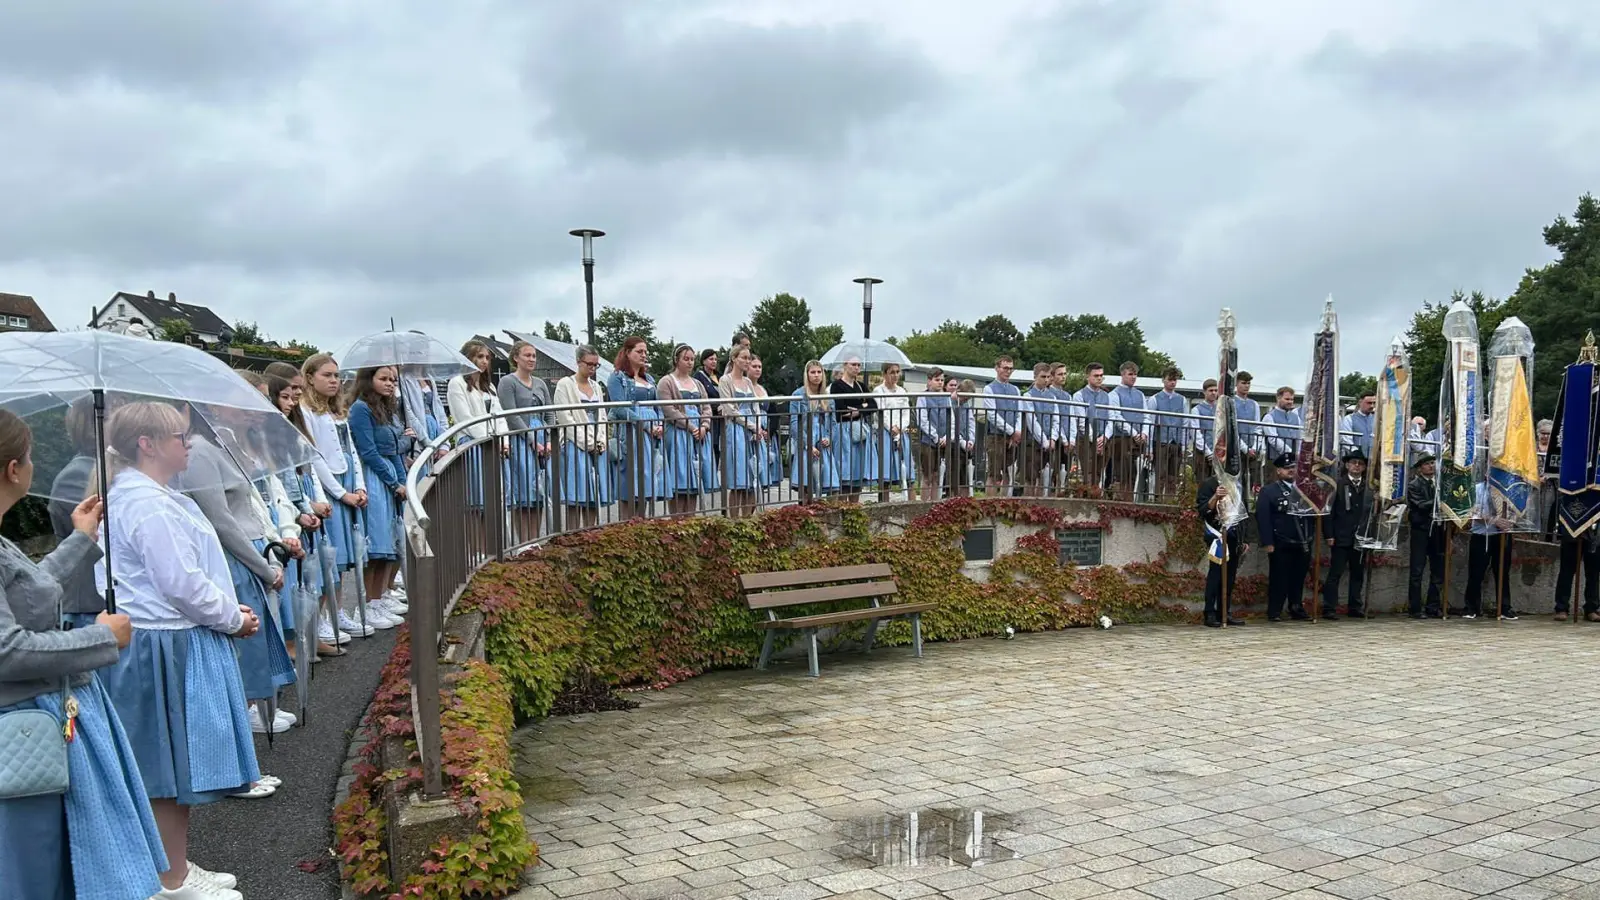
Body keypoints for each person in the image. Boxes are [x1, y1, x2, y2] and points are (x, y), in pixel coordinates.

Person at [0, 408, 171, 900]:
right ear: (15, 469)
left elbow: (28, 594)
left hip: (39, 720)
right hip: (20, 727)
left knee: (55, 858)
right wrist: (101, 639)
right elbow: (7, 651)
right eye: (30, 457)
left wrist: (81, 538)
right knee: (33, 863)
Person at [96, 402, 263, 899]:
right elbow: (180, 583)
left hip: (164, 639)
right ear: (147, 444)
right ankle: (171, 881)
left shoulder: (147, 496)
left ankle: (173, 867)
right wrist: (233, 618)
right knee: (168, 769)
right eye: (179, 436)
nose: (188, 444)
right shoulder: (147, 503)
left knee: (166, 765)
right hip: (165, 644)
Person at [300, 354, 373, 645]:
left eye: (336, 376)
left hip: (347, 481)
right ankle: (319, 620)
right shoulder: (307, 411)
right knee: (330, 558)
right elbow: (315, 458)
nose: (334, 381)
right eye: (327, 375)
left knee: (343, 560)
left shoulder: (337, 411)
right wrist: (341, 494)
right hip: (331, 488)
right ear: (310, 378)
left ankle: (337, 611)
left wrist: (359, 485)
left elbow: (351, 450)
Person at [347, 366, 410, 624]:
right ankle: (369, 603)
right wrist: (393, 481)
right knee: (377, 546)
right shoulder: (361, 409)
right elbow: (369, 451)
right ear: (368, 379)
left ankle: (382, 595)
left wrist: (403, 482)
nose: (390, 383)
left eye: (393, 379)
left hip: (389, 477)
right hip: (375, 478)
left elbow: (394, 448)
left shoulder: (387, 409)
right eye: (383, 378)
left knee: (391, 543)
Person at [606, 337, 669, 520]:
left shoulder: (648, 378)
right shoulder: (617, 377)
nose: (643, 355)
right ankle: (628, 526)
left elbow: (658, 405)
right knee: (630, 482)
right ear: (627, 353)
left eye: (645, 352)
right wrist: (645, 424)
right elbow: (618, 407)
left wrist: (660, 423)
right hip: (631, 432)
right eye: (639, 351)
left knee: (649, 480)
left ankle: (644, 524)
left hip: (652, 433)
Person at [496, 341, 552, 540]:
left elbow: (549, 412)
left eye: (534, 355)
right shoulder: (507, 382)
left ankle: (536, 539)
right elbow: (512, 415)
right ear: (516, 358)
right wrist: (531, 439)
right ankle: (523, 541)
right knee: (523, 494)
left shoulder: (540, 383)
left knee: (539, 494)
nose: (532, 359)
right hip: (520, 439)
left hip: (541, 437)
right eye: (527, 355)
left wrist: (547, 439)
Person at [552, 345, 612, 529]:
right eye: (589, 364)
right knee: (576, 494)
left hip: (597, 443)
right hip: (575, 444)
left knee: (594, 493)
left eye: (596, 365)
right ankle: (573, 534)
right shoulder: (565, 385)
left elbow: (602, 415)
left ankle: (590, 532)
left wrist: (601, 440)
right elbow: (565, 418)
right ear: (579, 362)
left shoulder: (596, 387)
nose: (593, 368)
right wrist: (587, 443)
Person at [658, 344, 719, 515]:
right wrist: (691, 426)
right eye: (686, 359)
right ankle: (677, 522)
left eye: (692, 359)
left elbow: (706, 407)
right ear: (676, 360)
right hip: (678, 434)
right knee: (679, 480)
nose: (690, 362)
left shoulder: (698, 384)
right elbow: (669, 410)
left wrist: (704, 426)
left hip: (699, 434)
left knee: (694, 482)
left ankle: (690, 519)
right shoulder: (667, 381)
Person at [1255, 452, 1311, 621]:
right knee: (1279, 578)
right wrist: (1268, 542)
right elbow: (1263, 518)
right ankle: (1275, 611)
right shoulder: (1269, 491)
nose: (1291, 471)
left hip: (1302, 541)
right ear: (1278, 471)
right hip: (1281, 542)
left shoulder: (1304, 489)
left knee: (1298, 577)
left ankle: (1296, 607)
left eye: (1293, 467)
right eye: (1287, 468)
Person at [1320, 448, 1372, 619]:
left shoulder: (1368, 487)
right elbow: (1329, 512)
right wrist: (1329, 535)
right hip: (1341, 537)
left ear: (1364, 468)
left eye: (1360, 464)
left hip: (1360, 537)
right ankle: (1329, 607)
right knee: (1335, 573)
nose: (1357, 466)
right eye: (1353, 463)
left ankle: (1354, 606)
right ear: (1347, 465)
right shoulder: (1338, 484)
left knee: (1357, 574)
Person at [1463, 481, 1520, 619]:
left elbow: (1517, 508)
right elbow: (1474, 510)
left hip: (1502, 534)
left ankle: (1504, 607)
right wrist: (1494, 520)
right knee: (1476, 572)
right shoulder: (1478, 488)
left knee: (1502, 572)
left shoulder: (1510, 488)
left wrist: (1510, 521)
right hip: (1482, 534)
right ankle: (1471, 608)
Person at [1196, 467, 1246, 627]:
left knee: (1230, 576)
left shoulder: (1237, 486)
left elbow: (1243, 514)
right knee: (1216, 574)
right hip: (1217, 535)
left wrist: (1245, 539)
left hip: (1234, 536)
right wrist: (1216, 496)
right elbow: (1203, 510)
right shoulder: (1209, 484)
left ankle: (1225, 611)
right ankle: (1210, 612)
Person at [829, 356, 878, 503]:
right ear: (845, 365)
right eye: (853, 364)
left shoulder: (861, 385)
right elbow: (840, 409)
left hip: (859, 430)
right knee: (845, 471)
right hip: (844, 430)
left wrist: (858, 410)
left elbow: (873, 405)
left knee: (858, 471)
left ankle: (854, 508)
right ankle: (842, 506)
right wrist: (862, 407)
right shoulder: (836, 385)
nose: (856, 367)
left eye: (858, 365)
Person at [1073, 363, 1122, 496]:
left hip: (1104, 439)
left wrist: (1105, 437)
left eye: (1101, 376)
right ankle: (1087, 501)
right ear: (1088, 377)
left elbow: (1111, 418)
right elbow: (1081, 421)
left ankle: (1096, 500)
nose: (1099, 378)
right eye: (1096, 376)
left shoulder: (1108, 396)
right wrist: (1094, 439)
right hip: (1086, 440)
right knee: (1088, 473)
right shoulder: (1079, 395)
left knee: (1099, 473)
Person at [1406, 454, 1445, 619]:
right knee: (1417, 570)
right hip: (1421, 530)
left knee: (1438, 570)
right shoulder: (1414, 485)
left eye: (1432, 463)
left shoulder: (1440, 484)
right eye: (1427, 464)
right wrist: (1438, 501)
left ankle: (1433, 606)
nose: (1431, 466)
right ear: (1420, 467)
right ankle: (1415, 608)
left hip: (1437, 529)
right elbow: (1419, 505)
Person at [873, 362, 915, 501]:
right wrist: (891, 427)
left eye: (897, 372)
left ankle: (912, 504)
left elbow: (906, 413)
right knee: (885, 471)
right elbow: (881, 412)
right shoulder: (878, 391)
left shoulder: (902, 391)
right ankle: (884, 503)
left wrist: (900, 428)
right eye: (892, 372)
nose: (895, 375)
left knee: (908, 470)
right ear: (884, 374)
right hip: (885, 432)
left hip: (901, 432)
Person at [982, 356, 1022, 495]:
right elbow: (992, 415)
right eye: (1005, 368)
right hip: (995, 436)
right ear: (997, 368)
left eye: (1011, 368)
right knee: (993, 473)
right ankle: (990, 506)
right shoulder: (989, 389)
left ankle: (1006, 503)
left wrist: (1016, 431)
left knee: (1008, 472)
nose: (1008, 371)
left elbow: (1018, 413)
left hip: (1012, 437)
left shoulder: (1015, 390)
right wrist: (1012, 431)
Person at [1146, 367, 1188, 501]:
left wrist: (1184, 444)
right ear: (1163, 380)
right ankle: (1157, 499)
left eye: (1174, 380)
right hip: (1161, 441)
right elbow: (1150, 423)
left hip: (1176, 442)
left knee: (1173, 475)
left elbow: (1185, 423)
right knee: (1160, 473)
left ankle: (1170, 500)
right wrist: (1149, 448)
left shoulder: (1182, 400)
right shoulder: (1154, 399)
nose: (1172, 383)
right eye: (1170, 379)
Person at [1108, 361, 1148, 500]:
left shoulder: (1141, 395)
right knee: (1121, 472)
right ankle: (1120, 500)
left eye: (1135, 374)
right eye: (1130, 374)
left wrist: (1144, 432)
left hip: (1138, 439)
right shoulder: (1114, 394)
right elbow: (1116, 416)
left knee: (1134, 472)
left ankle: (1132, 500)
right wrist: (1133, 432)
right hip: (1121, 438)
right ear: (1122, 374)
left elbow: (1146, 416)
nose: (1133, 377)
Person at [1022, 363, 1060, 497]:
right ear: (1035, 377)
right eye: (1042, 376)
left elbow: (1056, 419)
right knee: (1031, 477)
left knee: (1045, 477)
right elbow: (1032, 421)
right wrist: (1044, 440)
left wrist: (1053, 438)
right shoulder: (1028, 396)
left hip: (1050, 442)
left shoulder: (1052, 397)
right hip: (1032, 442)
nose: (1045, 379)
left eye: (1048, 376)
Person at [915, 369, 950, 502]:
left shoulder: (946, 397)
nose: (940, 383)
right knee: (927, 476)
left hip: (943, 440)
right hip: (928, 441)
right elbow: (922, 420)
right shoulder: (923, 397)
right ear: (929, 381)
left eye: (942, 380)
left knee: (937, 475)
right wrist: (936, 437)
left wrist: (947, 436)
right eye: (937, 380)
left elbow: (950, 418)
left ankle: (935, 504)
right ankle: (923, 505)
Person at [1553, 527, 1600, 622]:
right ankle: (1561, 607)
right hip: (1571, 530)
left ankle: (1591, 608)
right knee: (1566, 571)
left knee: (1593, 573)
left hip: (1595, 532)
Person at [1260, 387, 1303, 483]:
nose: (1290, 402)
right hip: (1275, 460)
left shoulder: (1296, 418)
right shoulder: (1269, 416)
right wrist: (1289, 451)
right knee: (1273, 486)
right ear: (1278, 398)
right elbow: (1272, 439)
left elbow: (1300, 437)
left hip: (1293, 460)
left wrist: (1298, 453)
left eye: (1292, 399)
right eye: (1287, 399)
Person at [1192, 379, 1220, 484]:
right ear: (1204, 392)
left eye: (1215, 390)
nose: (1213, 393)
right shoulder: (1196, 410)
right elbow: (1196, 433)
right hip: (1202, 452)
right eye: (1210, 390)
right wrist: (1208, 452)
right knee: (1202, 482)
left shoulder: (1220, 409)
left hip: (1218, 452)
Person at [1341, 393, 1376, 459]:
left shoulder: (1377, 419)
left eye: (1374, 403)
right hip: (1356, 460)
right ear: (1360, 402)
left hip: (1374, 460)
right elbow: (1347, 440)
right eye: (1369, 403)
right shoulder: (1349, 418)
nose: (1372, 406)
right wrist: (1356, 453)